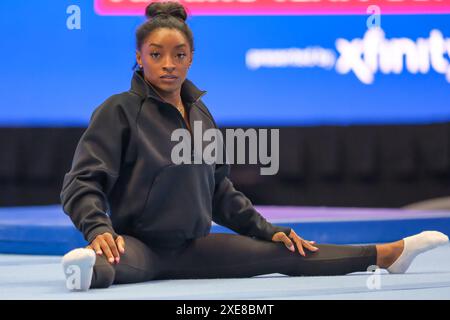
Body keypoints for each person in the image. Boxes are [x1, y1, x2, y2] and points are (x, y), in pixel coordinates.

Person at [60, 1, 449, 291]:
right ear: (139, 57)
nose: (168, 64)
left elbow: (219, 192)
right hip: (138, 247)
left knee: (290, 252)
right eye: (156, 55)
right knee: (106, 261)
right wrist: (97, 228)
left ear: (191, 58)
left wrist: (267, 230)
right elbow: (81, 183)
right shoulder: (119, 110)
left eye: (178, 55)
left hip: (195, 248)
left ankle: (390, 254)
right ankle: (86, 269)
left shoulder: (201, 115)